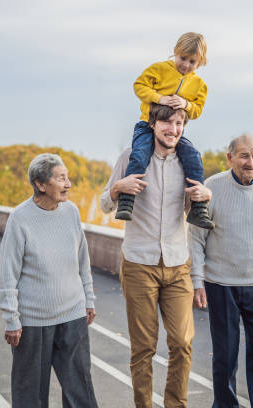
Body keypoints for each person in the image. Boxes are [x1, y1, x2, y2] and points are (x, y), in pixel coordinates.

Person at [100, 103, 212, 408]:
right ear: (153, 124)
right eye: (167, 123)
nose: (173, 129)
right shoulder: (130, 158)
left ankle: (176, 404)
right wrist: (116, 189)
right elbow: (104, 205)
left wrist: (206, 196)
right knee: (144, 347)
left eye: (179, 124)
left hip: (177, 265)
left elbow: (194, 211)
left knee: (182, 342)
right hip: (138, 263)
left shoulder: (188, 163)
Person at [188, 134, 253, 408]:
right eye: (244, 156)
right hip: (221, 285)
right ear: (229, 157)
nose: (251, 162)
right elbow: (196, 239)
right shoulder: (213, 187)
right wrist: (197, 281)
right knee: (225, 355)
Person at [0, 153, 98, 408]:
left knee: (80, 393)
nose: (68, 184)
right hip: (32, 323)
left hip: (72, 316)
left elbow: (82, 260)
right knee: (30, 396)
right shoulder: (20, 218)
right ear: (41, 184)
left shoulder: (71, 212)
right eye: (61, 178)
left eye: (68, 178)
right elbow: (8, 273)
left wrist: (89, 298)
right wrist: (12, 318)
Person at [115, 32, 214, 230]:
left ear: (201, 62)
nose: (185, 64)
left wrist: (186, 104)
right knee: (140, 155)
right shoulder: (159, 69)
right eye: (182, 58)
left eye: (192, 61)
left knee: (193, 157)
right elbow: (139, 86)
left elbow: (197, 110)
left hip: (175, 132)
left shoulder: (199, 85)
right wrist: (159, 98)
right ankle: (126, 201)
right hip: (147, 125)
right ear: (175, 52)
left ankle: (198, 208)